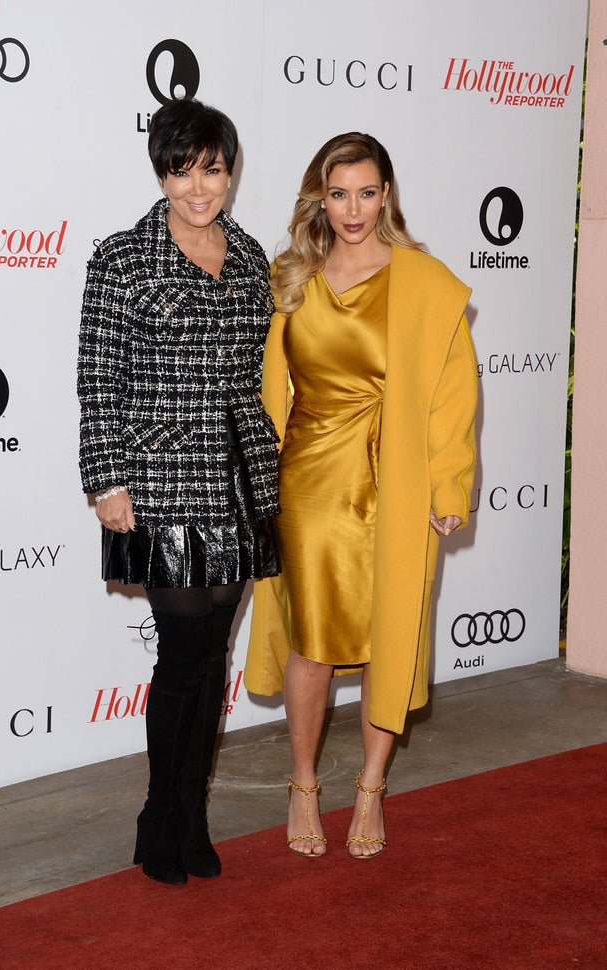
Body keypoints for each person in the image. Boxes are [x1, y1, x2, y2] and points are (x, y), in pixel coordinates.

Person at [245, 132, 477, 859]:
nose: (352, 208)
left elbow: (452, 397)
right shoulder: (292, 276)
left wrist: (450, 484)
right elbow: (267, 393)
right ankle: (305, 783)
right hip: (309, 483)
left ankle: (372, 787)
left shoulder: (424, 282)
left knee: (390, 636)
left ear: (387, 195)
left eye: (367, 192)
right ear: (321, 196)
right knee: (312, 642)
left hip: (397, 482)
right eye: (338, 192)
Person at [77, 99, 280, 886]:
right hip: (159, 478)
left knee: (213, 652)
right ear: (160, 170)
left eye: (214, 169)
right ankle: (161, 813)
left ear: (231, 170)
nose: (199, 187)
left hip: (238, 478)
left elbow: (268, 371)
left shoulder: (253, 256)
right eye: (182, 169)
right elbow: (100, 378)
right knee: (182, 653)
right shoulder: (123, 258)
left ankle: (191, 813)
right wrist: (106, 480)